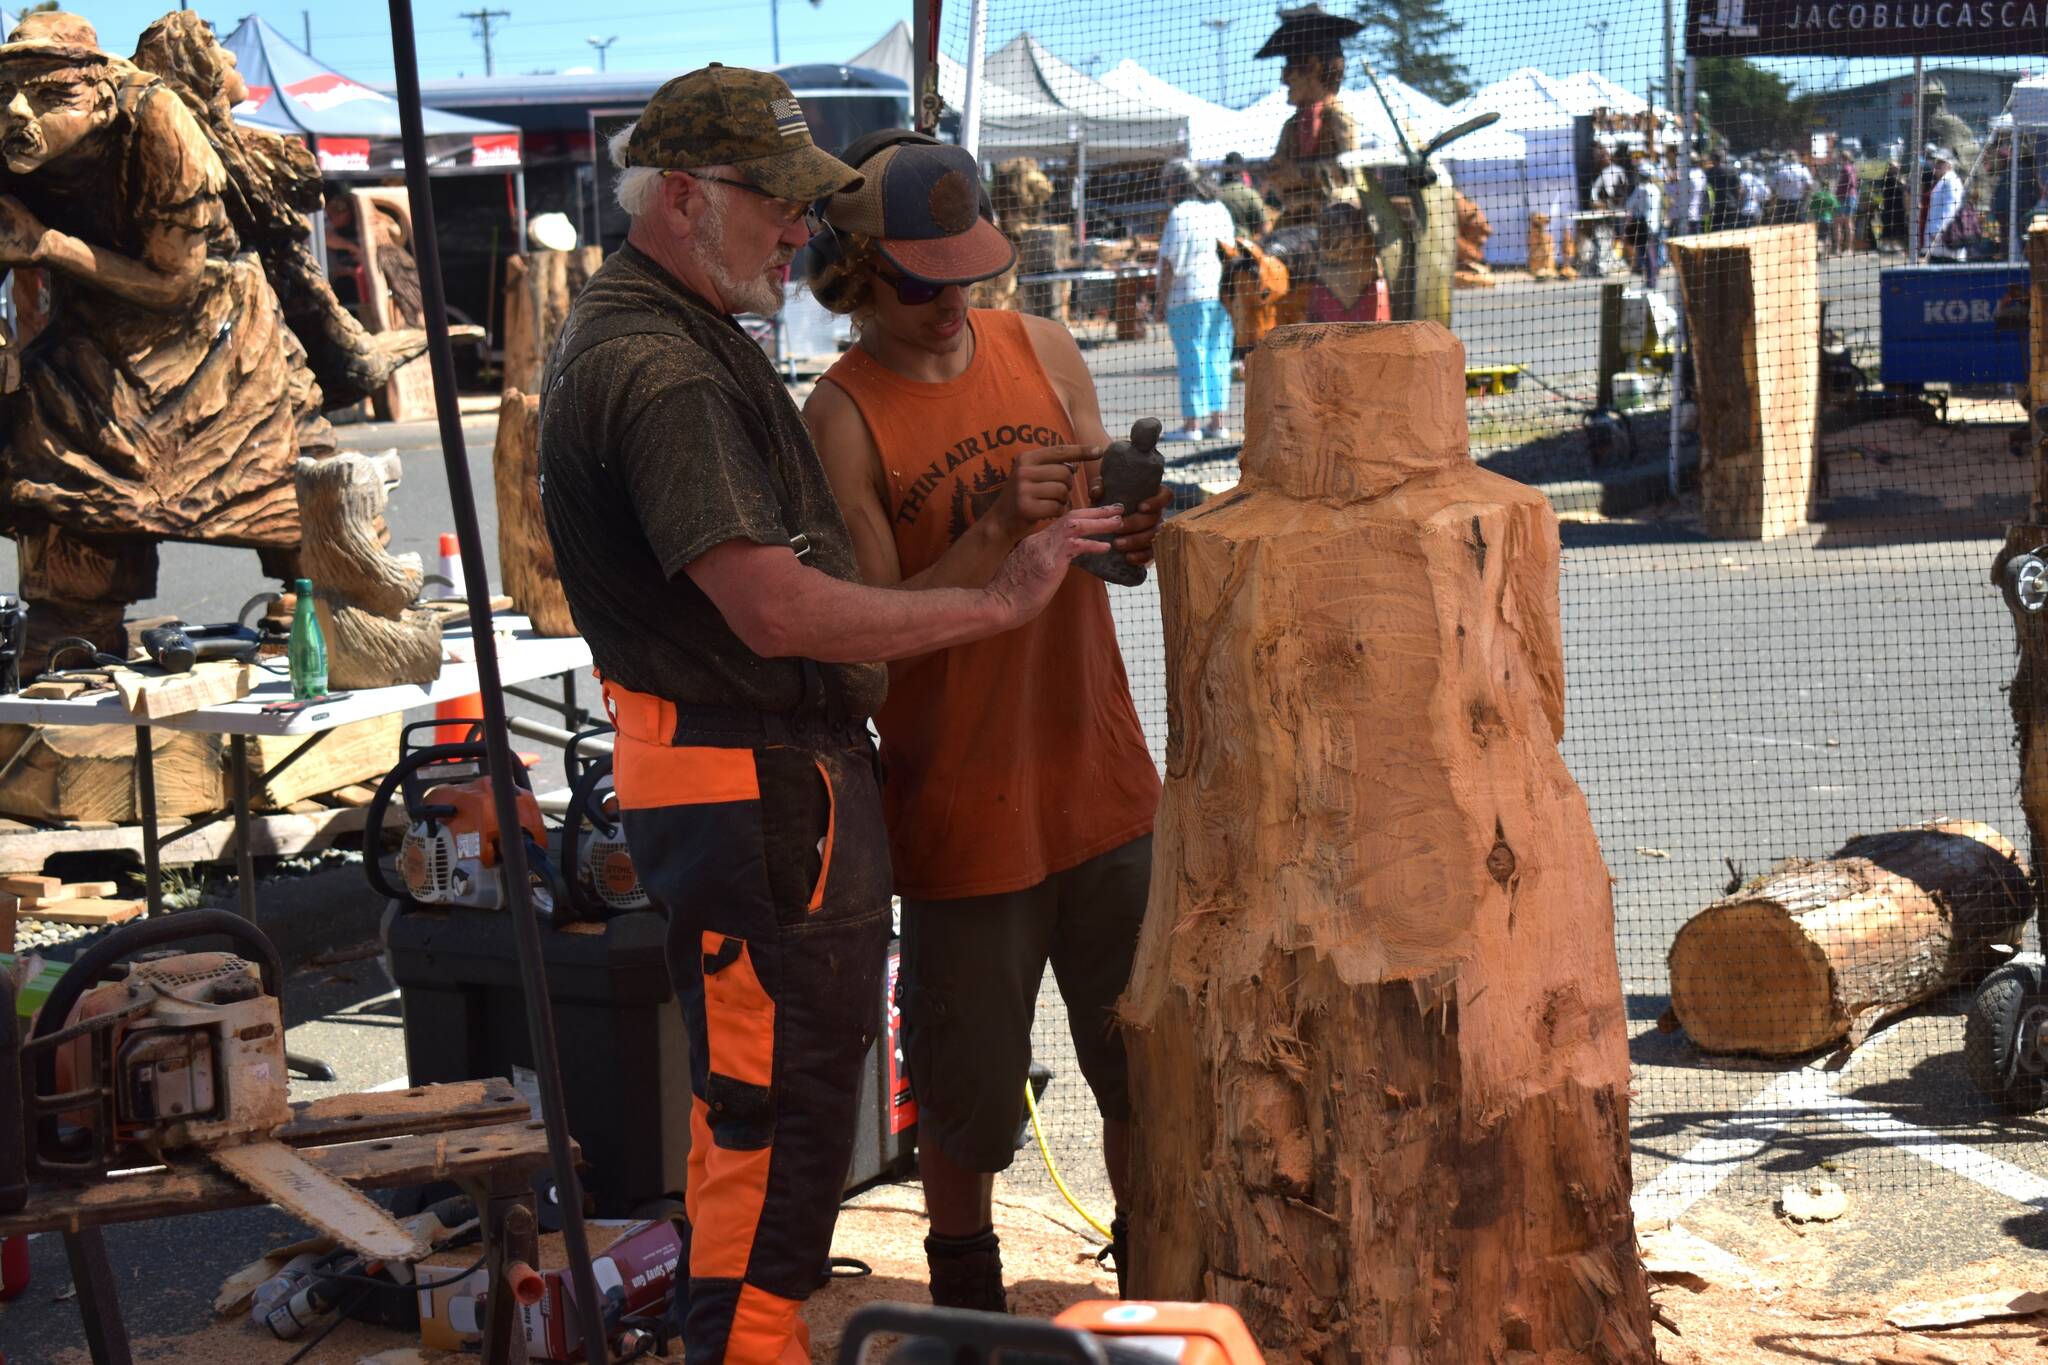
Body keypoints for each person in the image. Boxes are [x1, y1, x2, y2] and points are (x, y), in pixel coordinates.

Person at [537, 66, 1119, 1364]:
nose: (801, 230)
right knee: (779, 1120)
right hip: (750, 790)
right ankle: (747, 1350)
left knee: (778, 1114)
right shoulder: (664, 366)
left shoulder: (676, 334)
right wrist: (998, 595)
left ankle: (753, 1339)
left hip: (761, 787)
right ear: (686, 198)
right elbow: (778, 609)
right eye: (779, 204)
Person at [800, 131, 1167, 1314]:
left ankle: (1153, 1275)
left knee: (1144, 1068)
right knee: (965, 1087)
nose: (950, 303)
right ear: (852, 274)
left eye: (965, 272)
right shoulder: (840, 418)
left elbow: (1107, 558)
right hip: (959, 803)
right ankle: (965, 1303)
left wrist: (1134, 533)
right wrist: (995, 531)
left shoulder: (1043, 347)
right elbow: (869, 628)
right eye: (918, 282)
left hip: (1100, 780)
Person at [1154, 159, 1237, 441]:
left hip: (1186, 296)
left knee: (1192, 358)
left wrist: (1159, 303)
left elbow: (1169, 263)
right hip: (1222, 295)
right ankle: (1218, 422)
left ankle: (1191, 426)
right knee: (1218, 357)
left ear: (1178, 184)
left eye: (1167, 184)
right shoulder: (1219, 209)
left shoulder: (1180, 214)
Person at [1623, 162, 1664, 289]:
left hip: (1643, 225)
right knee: (1652, 252)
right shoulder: (1656, 189)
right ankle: (1651, 281)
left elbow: (1629, 205)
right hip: (1654, 225)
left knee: (1646, 254)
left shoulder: (1641, 189)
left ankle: (1650, 282)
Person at [1924, 147, 1967, 261]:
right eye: (1936, 162)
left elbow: (1951, 209)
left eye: (1941, 162)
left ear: (1950, 164)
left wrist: (1937, 232)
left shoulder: (1951, 181)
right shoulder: (1943, 180)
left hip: (1946, 242)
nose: (1937, 165)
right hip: (1939, 245)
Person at [1216, 151, 1267, 239]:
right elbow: (1263, 228)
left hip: (1218, 247)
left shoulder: (1214, 195)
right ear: (1242, 170)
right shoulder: (1249, 194)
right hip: (1243, 248)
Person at [1767, 153, 1812, 225]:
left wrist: (1773, 200)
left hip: (1782, 203)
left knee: (1783, 226)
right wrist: (1805, 198)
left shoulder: (1780, 170)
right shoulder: (1802, 169)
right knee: (1800, 226)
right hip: (1797, 202)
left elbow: (1772, 187)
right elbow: (1809, 185)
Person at [1703, 151, 1741, 232]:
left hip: (1719, 207)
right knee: (1731, 231)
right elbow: (1739, 188)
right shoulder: (1732, 169)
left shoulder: (1711, 172)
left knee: (1717, 232)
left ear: (1713, 159)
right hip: (1732, 205)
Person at [1833, 148, 1860, 254]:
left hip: (1843, 197)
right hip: (1852, 196)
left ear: (1842, 158)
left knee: (1838, 223)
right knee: (1849, 222)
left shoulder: (1845, 169)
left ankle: (1838, 248)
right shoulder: (1852, 168)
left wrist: (1839, 191)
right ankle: (1849, 248)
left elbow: (1850, 183)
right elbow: (1855, 184)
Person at [1878, 158, 1908, 252]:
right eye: (1893, 167)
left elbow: (1905, 188)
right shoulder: (1887, 178)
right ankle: (1886, 244)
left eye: (1896, 167)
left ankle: (1895, 245)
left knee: (1898, 226)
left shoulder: (1901, 177)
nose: (1895, 169)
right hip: (1889, 206)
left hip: (1899, 207)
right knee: (1888, 225)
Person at [1808, 178, 1838, 254]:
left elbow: (1811, 208)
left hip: (1817, 220)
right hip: (1828, 219)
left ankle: (1819, 252)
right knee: (1827, 235)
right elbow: (1836, 208)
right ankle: (1827, 253)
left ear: (1821, 185)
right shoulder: (1831, 196)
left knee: (1819, 236)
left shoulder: (1816, 196)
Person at [1739, 158, 1767, 229]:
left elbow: (1741, 192)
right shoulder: (1754, 177)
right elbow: (1766, 191)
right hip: (1755, 207)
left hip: (1745, 208)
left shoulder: (1741, 177)